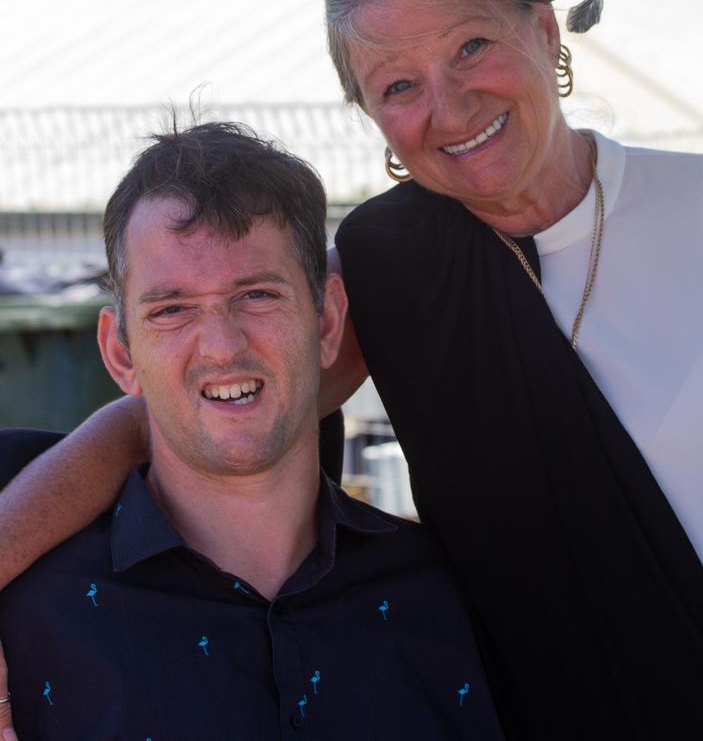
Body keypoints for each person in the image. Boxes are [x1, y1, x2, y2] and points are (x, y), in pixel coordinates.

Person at [1, 0, 703, 741]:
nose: (447, 106)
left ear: (543, 27)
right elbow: (195, 415)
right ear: (369, 114)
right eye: (396, 85)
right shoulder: (397, 270)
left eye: (473, 46)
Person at [0, 122, 505, 741]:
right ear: (120, 352)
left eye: (257, 295)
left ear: (326, 321)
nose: (222, 345)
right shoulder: (30, 626)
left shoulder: (462, 600)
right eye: (171, 310)